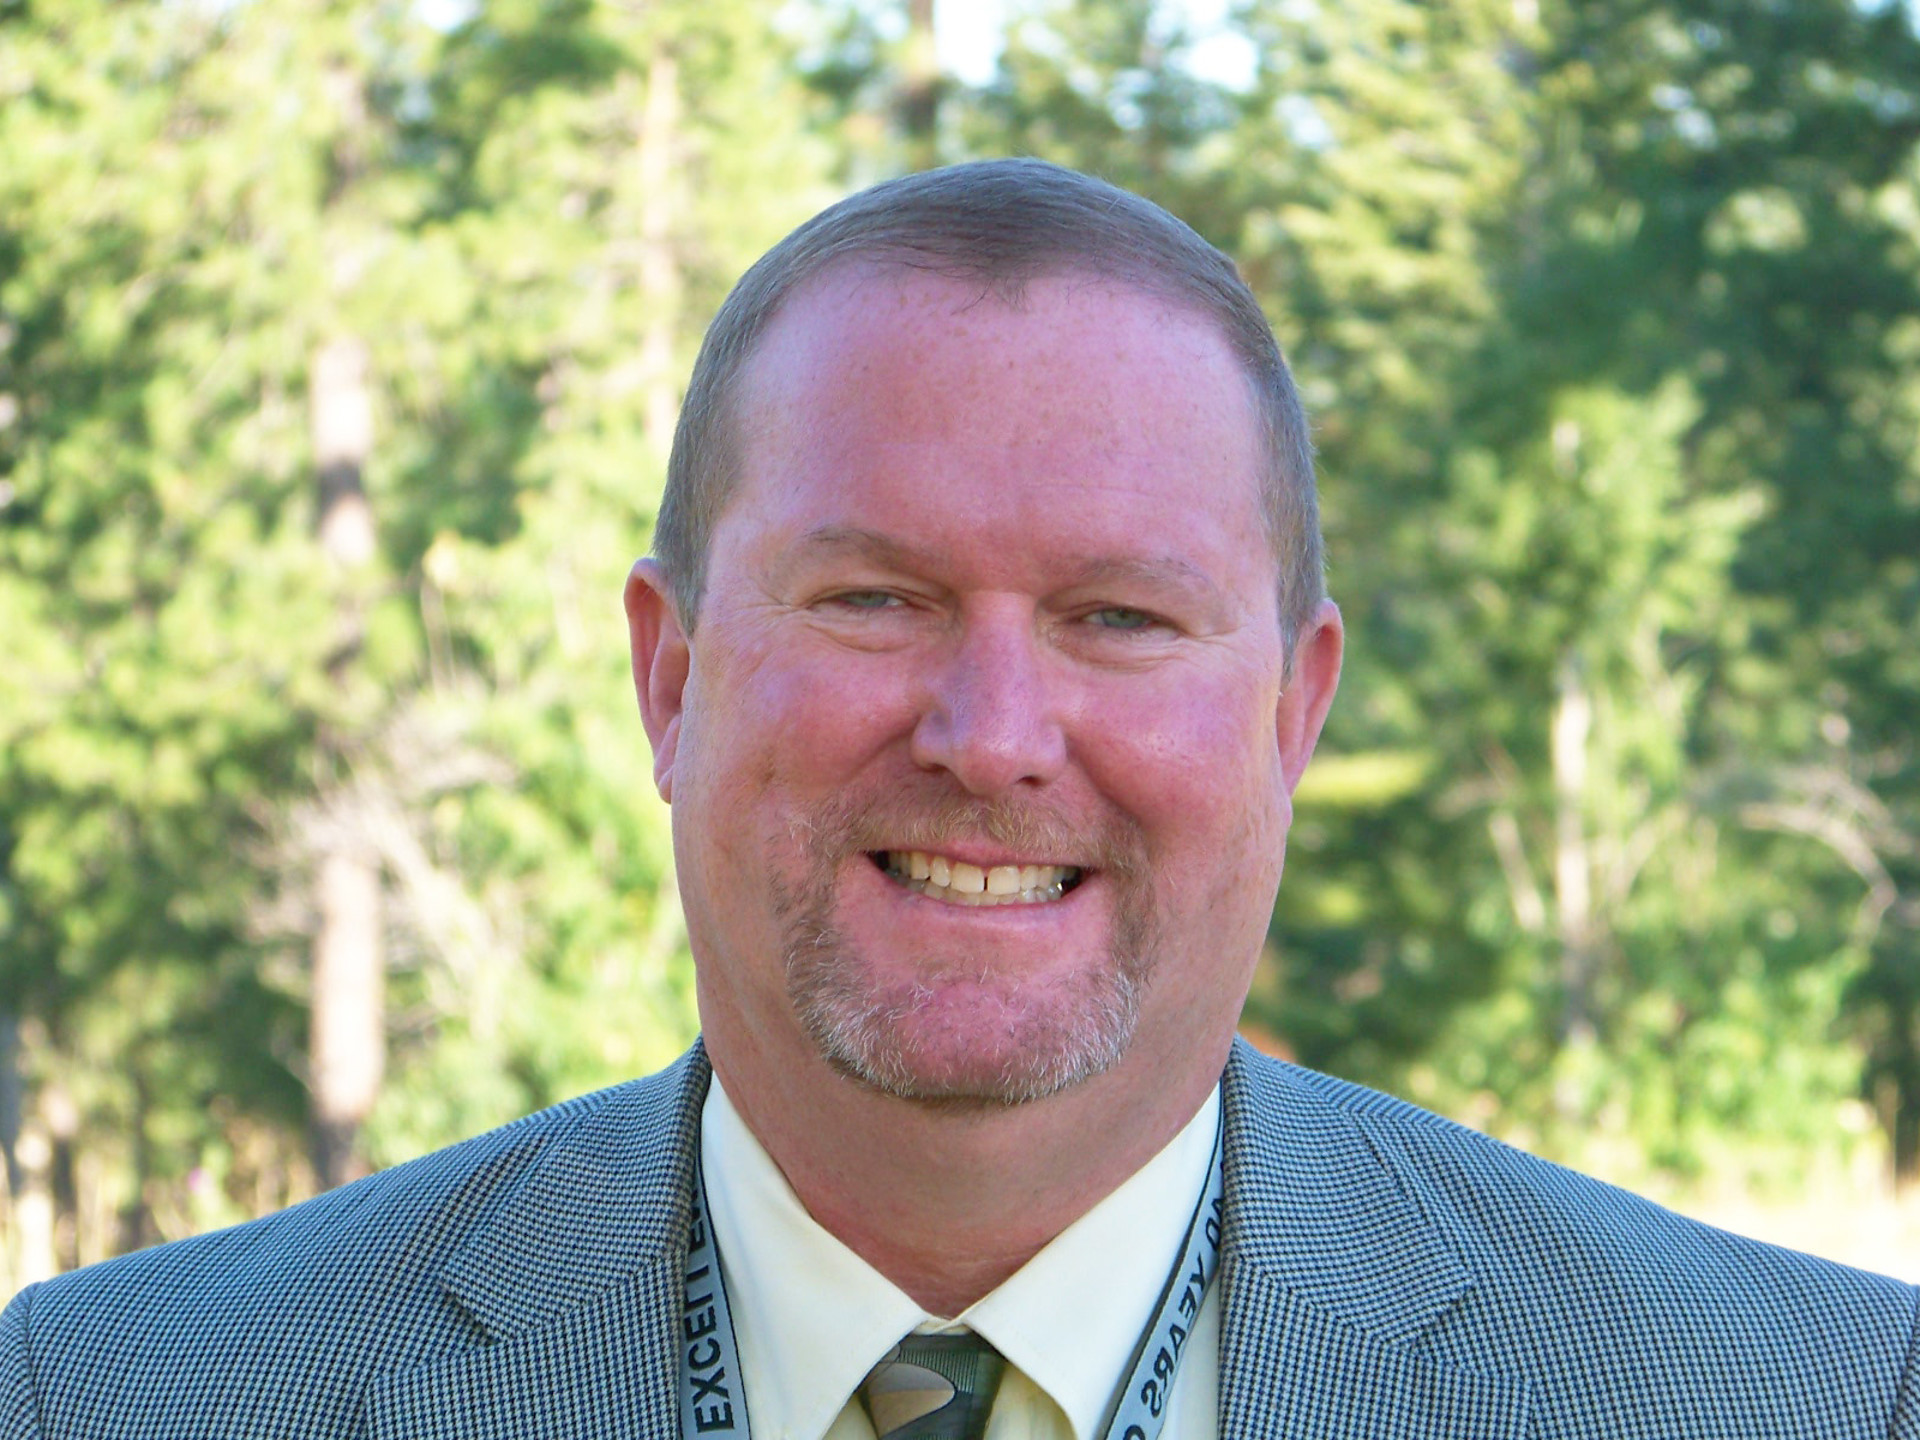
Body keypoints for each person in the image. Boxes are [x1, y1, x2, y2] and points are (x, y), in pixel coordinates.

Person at [1, 159, 1915, 1440]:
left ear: (1290, 713)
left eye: (1119, 617)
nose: (992, 737)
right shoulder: (115, 1405)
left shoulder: (1806, 1406)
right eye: (874, 599)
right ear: (671, 679)